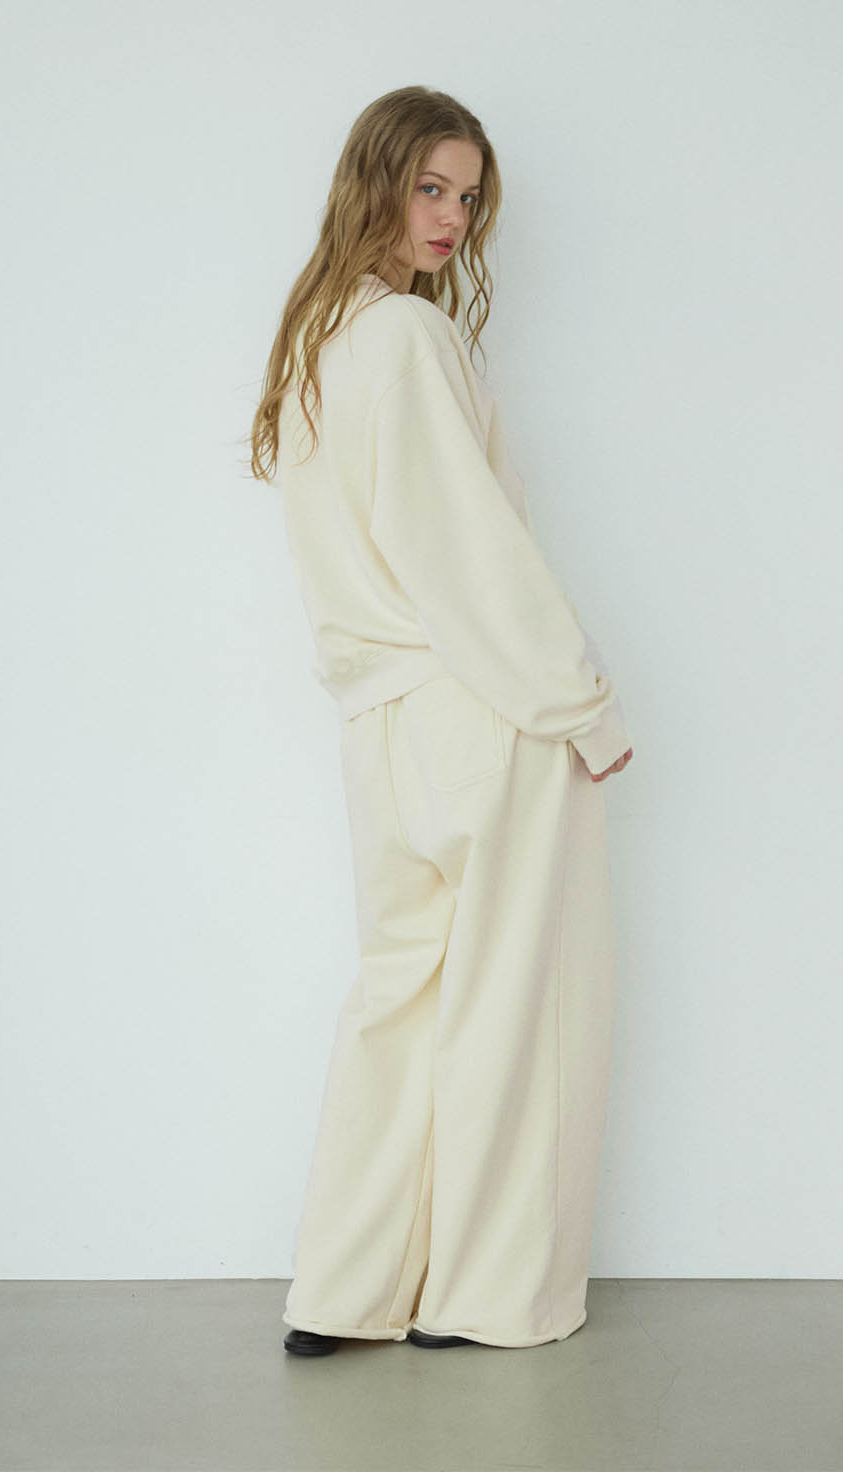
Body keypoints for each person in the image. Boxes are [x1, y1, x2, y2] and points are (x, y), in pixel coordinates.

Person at [246, 85, 633, 1358]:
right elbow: (466, 554)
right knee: (510, 1007)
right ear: (376, 180)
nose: (453, 217)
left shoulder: (314, 342)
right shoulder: (408, 339)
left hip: (378, 724)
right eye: (430, 187)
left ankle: (341, 1292)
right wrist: (580, 705)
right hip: (477, 707)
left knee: (397, 1002)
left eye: (467, 197)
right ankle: (481, 1296)